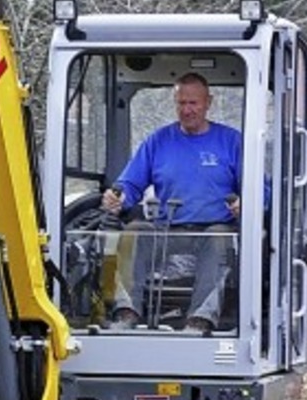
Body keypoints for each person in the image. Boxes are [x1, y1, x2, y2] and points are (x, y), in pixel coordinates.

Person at [102, 72, 241, 332]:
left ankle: (200, 320)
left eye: (193, 103)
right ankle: (126, 313)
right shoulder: (158, 141)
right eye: (181, 103)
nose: (187, 110)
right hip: (168, 229)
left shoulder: (231, 141)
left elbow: (259, 188)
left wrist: (244, 203)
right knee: (135, 232)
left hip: (213, 228)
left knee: (219, 239)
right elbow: (131, 183)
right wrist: (118, 197)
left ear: (208, 102)